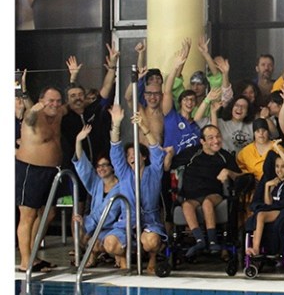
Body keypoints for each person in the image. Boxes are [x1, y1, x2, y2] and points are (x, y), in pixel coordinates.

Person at [111, 106, 170, 273]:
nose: (131, 157)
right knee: (111, 244)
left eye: (135, 154)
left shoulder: (154, 172)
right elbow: (115, 150)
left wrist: (144, 127)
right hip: (127, 220)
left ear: (143, 156)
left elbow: (156, 150)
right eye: (129, 155)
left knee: (151, 242)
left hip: (149, 219)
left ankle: (152, 258)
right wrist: (116, 125)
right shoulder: (123, 173)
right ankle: (124, 258)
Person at [171, 125, 242, 258]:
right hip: (192, 195)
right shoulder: (192, 153)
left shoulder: (224, 156)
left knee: (207, 203)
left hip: (214, 194)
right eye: (211, 138)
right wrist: (168, 154)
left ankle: (213, 241)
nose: (216, 140)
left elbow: (240, 176)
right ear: (202, 141)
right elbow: (170, 164)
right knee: (186, 206)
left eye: (218, 136)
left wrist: (228, 172)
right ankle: (200, 241)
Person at [15, 86, 64, 273]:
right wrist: (32, 108)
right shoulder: (34, 116)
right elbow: (29, 117)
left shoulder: (59, 113)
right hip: (30, 169)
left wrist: (73, 78)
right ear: (41, 101)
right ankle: (25, 261)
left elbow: (74, 104)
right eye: (50, 101)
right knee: (27, 216)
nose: (55, 104)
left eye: (58, 101)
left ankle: (33, 255)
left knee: (48, 213)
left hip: (51, 171)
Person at [71, 125, 129, 268]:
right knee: (78, 225)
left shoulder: (123, 185)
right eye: (98, 166)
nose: (101, 169)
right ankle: (94, 254)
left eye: (104, 165)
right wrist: (78, 140)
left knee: (110, 242)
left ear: (112, 167)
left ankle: (118, 255)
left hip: (115, 229)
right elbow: (82, 164)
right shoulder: (96, 183)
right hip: (96, 228)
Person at [246, 144, 284, 257]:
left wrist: (277, 149)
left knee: (261, 215)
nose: (279, 170)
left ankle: (256, 248)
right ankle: (256, 248)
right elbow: (269, 203)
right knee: (258, 214)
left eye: (282, 167)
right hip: (275, 209)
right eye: (277, 166)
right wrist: (267, 186)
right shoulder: (276, 182)